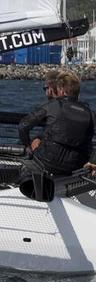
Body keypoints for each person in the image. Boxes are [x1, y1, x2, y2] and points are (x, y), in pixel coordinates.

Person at [18, 71, 96, 200]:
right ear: (77, 92)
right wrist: (93, 161)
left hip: (47, 161)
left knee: (32, 150)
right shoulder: (90, 113)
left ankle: (27, 190)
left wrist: (28, 146)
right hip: (74, 165)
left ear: (61, 90)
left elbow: (23, 126)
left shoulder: (53, 106)